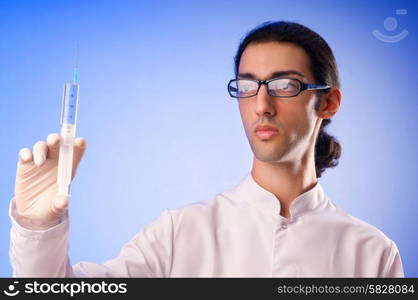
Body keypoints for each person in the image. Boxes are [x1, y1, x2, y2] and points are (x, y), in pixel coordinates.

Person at [9, 21, 404, 277]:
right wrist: (37, 227)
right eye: (248, 86)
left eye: (285, 85)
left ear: (329, 102)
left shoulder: (372, 254)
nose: (262, 106)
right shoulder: (179, 234)